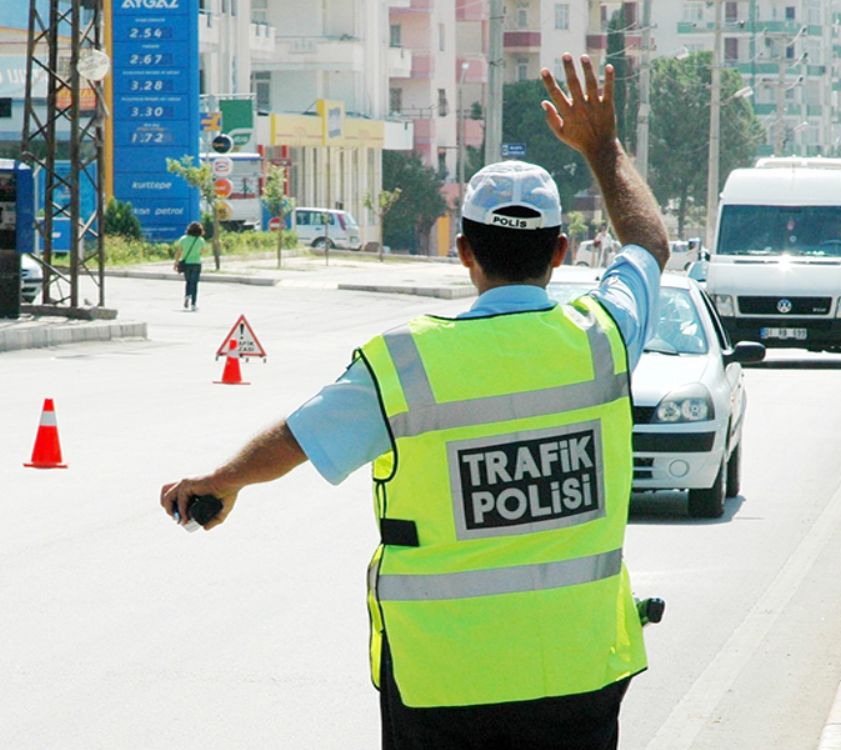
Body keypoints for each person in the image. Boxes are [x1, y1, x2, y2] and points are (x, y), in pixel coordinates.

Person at [160, 54, 670, 750]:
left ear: (464, 251)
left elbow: (301, 438)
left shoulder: (405, 363)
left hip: (443, 683)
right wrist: (603, 148)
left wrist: (222, 482)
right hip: (580, 673)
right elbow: (647, 244)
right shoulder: (604, 337)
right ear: (560, 252)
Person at [173, 221, 206, 310]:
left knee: (188, 282)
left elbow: (178, 252)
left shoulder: (183, 239)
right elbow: (203, 252)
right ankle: (193, 304)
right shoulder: (201, 240)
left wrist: (176, 262)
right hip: (196, 263)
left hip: (186, 264)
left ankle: (187, 296)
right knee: (194, 283)